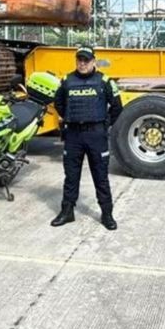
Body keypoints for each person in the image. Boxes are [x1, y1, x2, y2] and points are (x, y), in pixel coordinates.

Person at [51, 45, 123, 230]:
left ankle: (107, 214)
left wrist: (104, 125)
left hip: (96, 135)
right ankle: (67, 211)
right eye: (79, 60)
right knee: (71, 176)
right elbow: (58, 103)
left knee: (101, 176)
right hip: (73, 135)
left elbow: (117, 107)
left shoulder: (104, 81)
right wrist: (69, 117)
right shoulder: (67, 80)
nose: (82, 63)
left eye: (86, 60)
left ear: (93, 61)